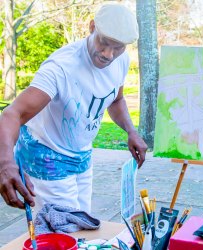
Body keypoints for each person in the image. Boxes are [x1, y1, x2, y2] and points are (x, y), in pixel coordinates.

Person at [0, 3, 148, 216]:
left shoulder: (121, 60)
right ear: (92, 27)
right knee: (63, 231)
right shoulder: (61, 67)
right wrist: (5, 163)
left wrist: (131, 130)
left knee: (81, 223)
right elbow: (13, 114)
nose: (108, 54)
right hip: (47, 153)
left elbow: (116, 99)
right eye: (104, 43)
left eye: (117, 48)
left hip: (81, 152)